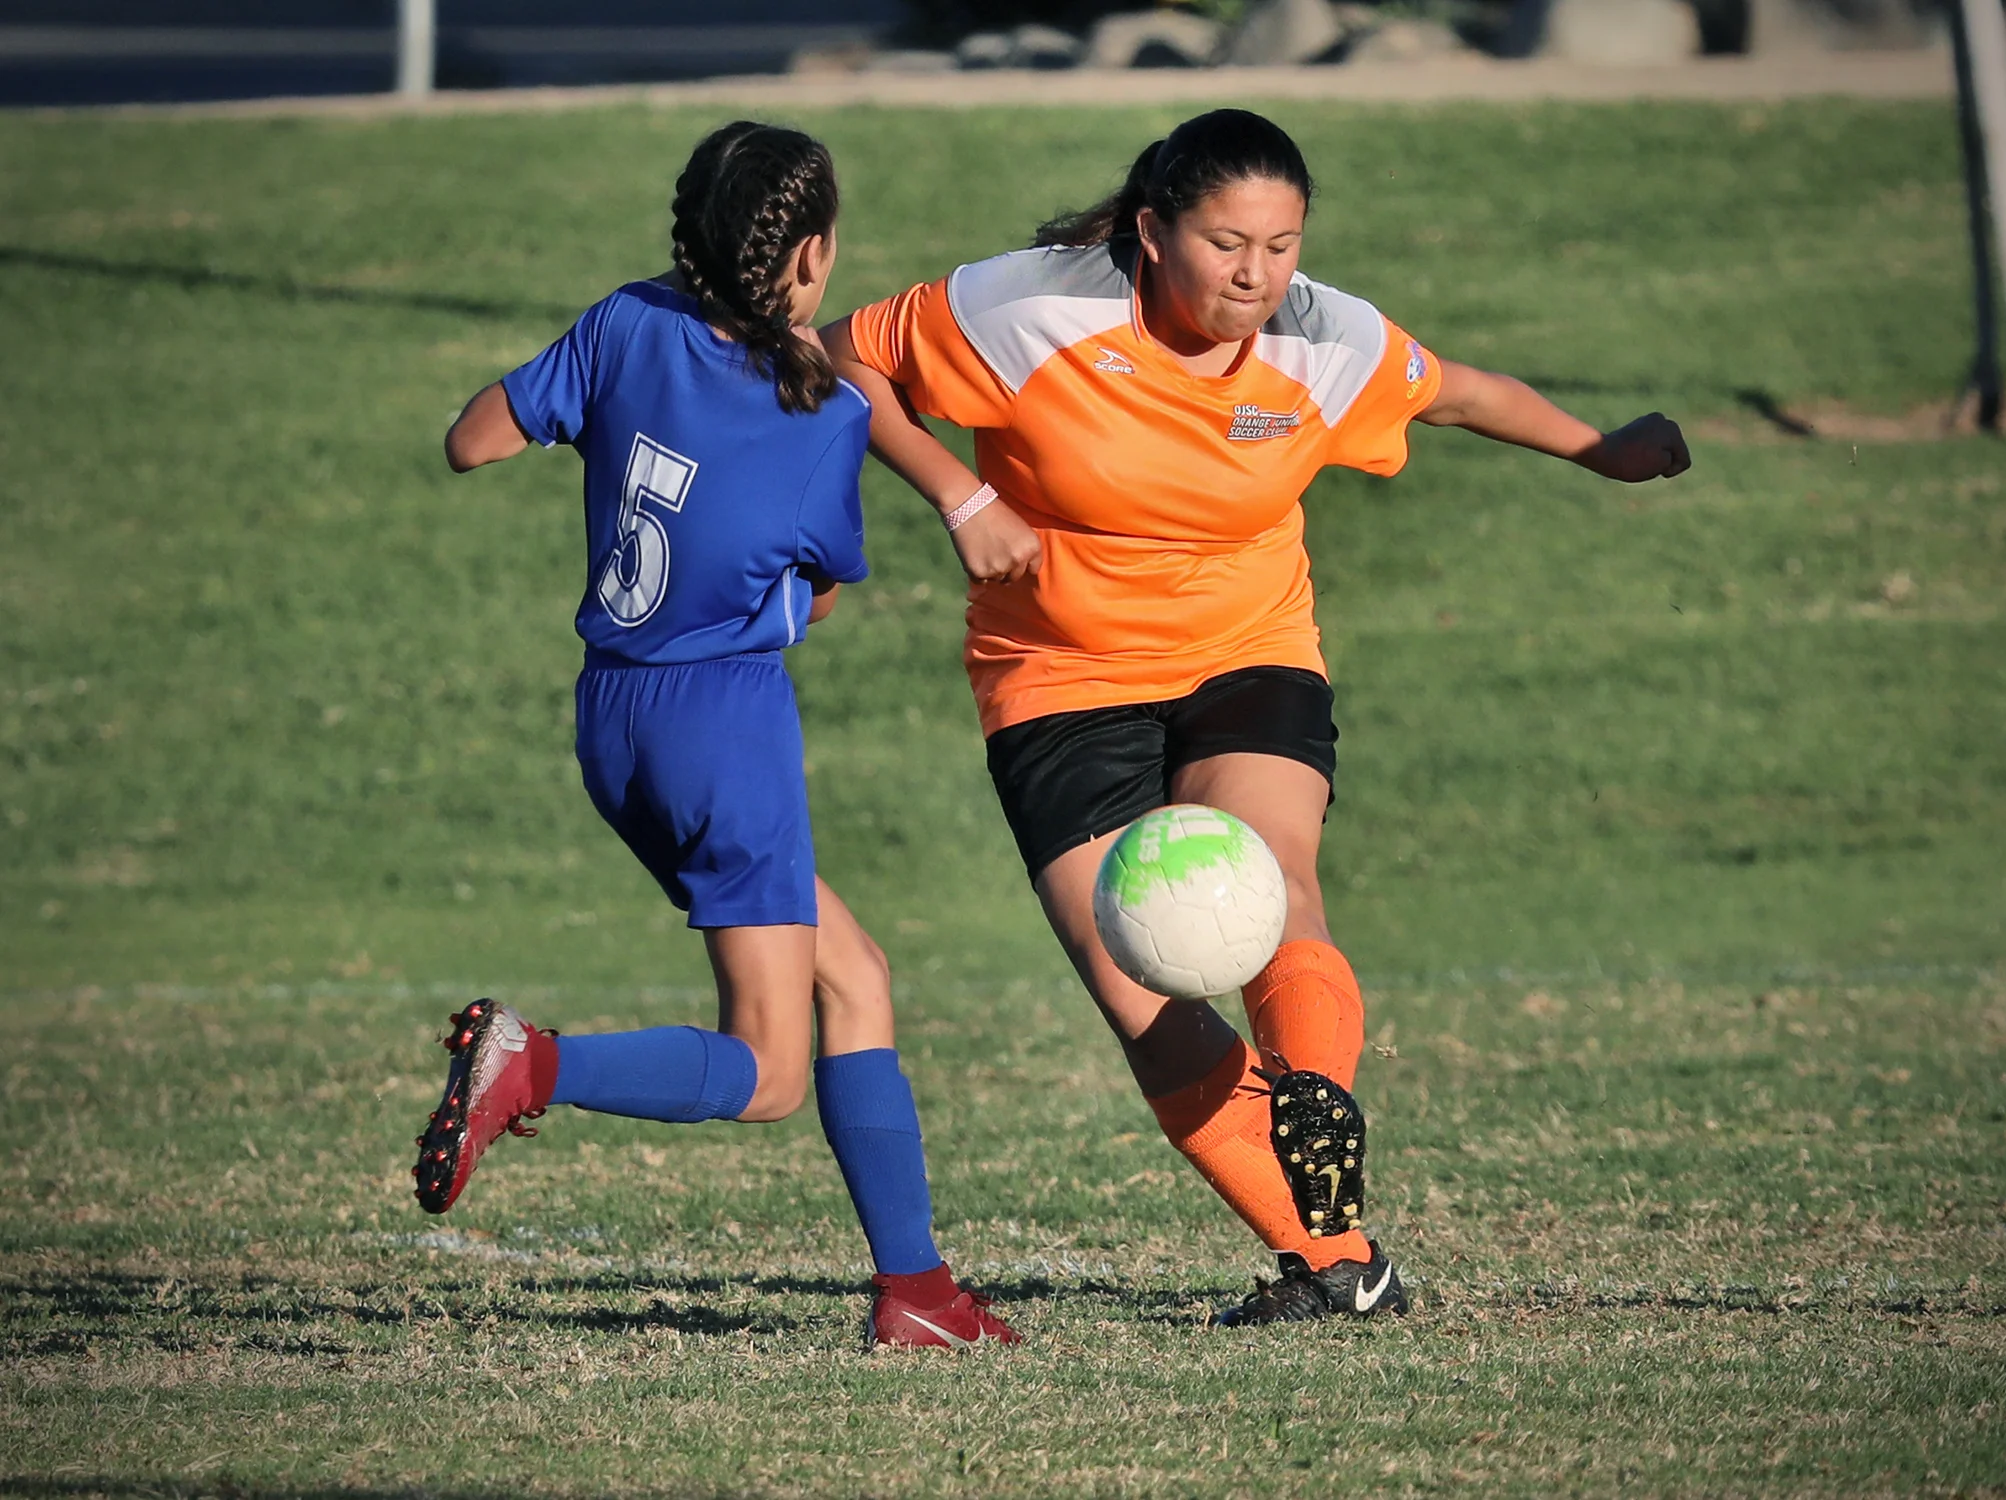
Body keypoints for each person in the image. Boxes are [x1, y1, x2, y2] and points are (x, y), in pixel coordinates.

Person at [821, 108, 1690, 1326]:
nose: (1257, 276)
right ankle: (1337, 1261)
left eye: (1281, 246)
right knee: (1141, 991)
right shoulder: (1029, 309)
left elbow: (1458, 393)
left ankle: (1316, 1091)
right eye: (1227, 243)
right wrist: (959, 494)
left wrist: (1599, 451)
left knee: (1274, 878)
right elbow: (843, 359)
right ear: (1150, 231)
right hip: (1058, 675)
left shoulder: (1320, 337)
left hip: (1248, 651)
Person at [418, 121, 1017, 1351]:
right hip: (724, 732)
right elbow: (825, 590)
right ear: (812, 257)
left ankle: (919, 1292)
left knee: (856, 975)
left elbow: (473, 439)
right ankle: (532, 1065)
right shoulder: (818, 414)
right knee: (771, 1072)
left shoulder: (623, 323)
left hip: (613, 719)